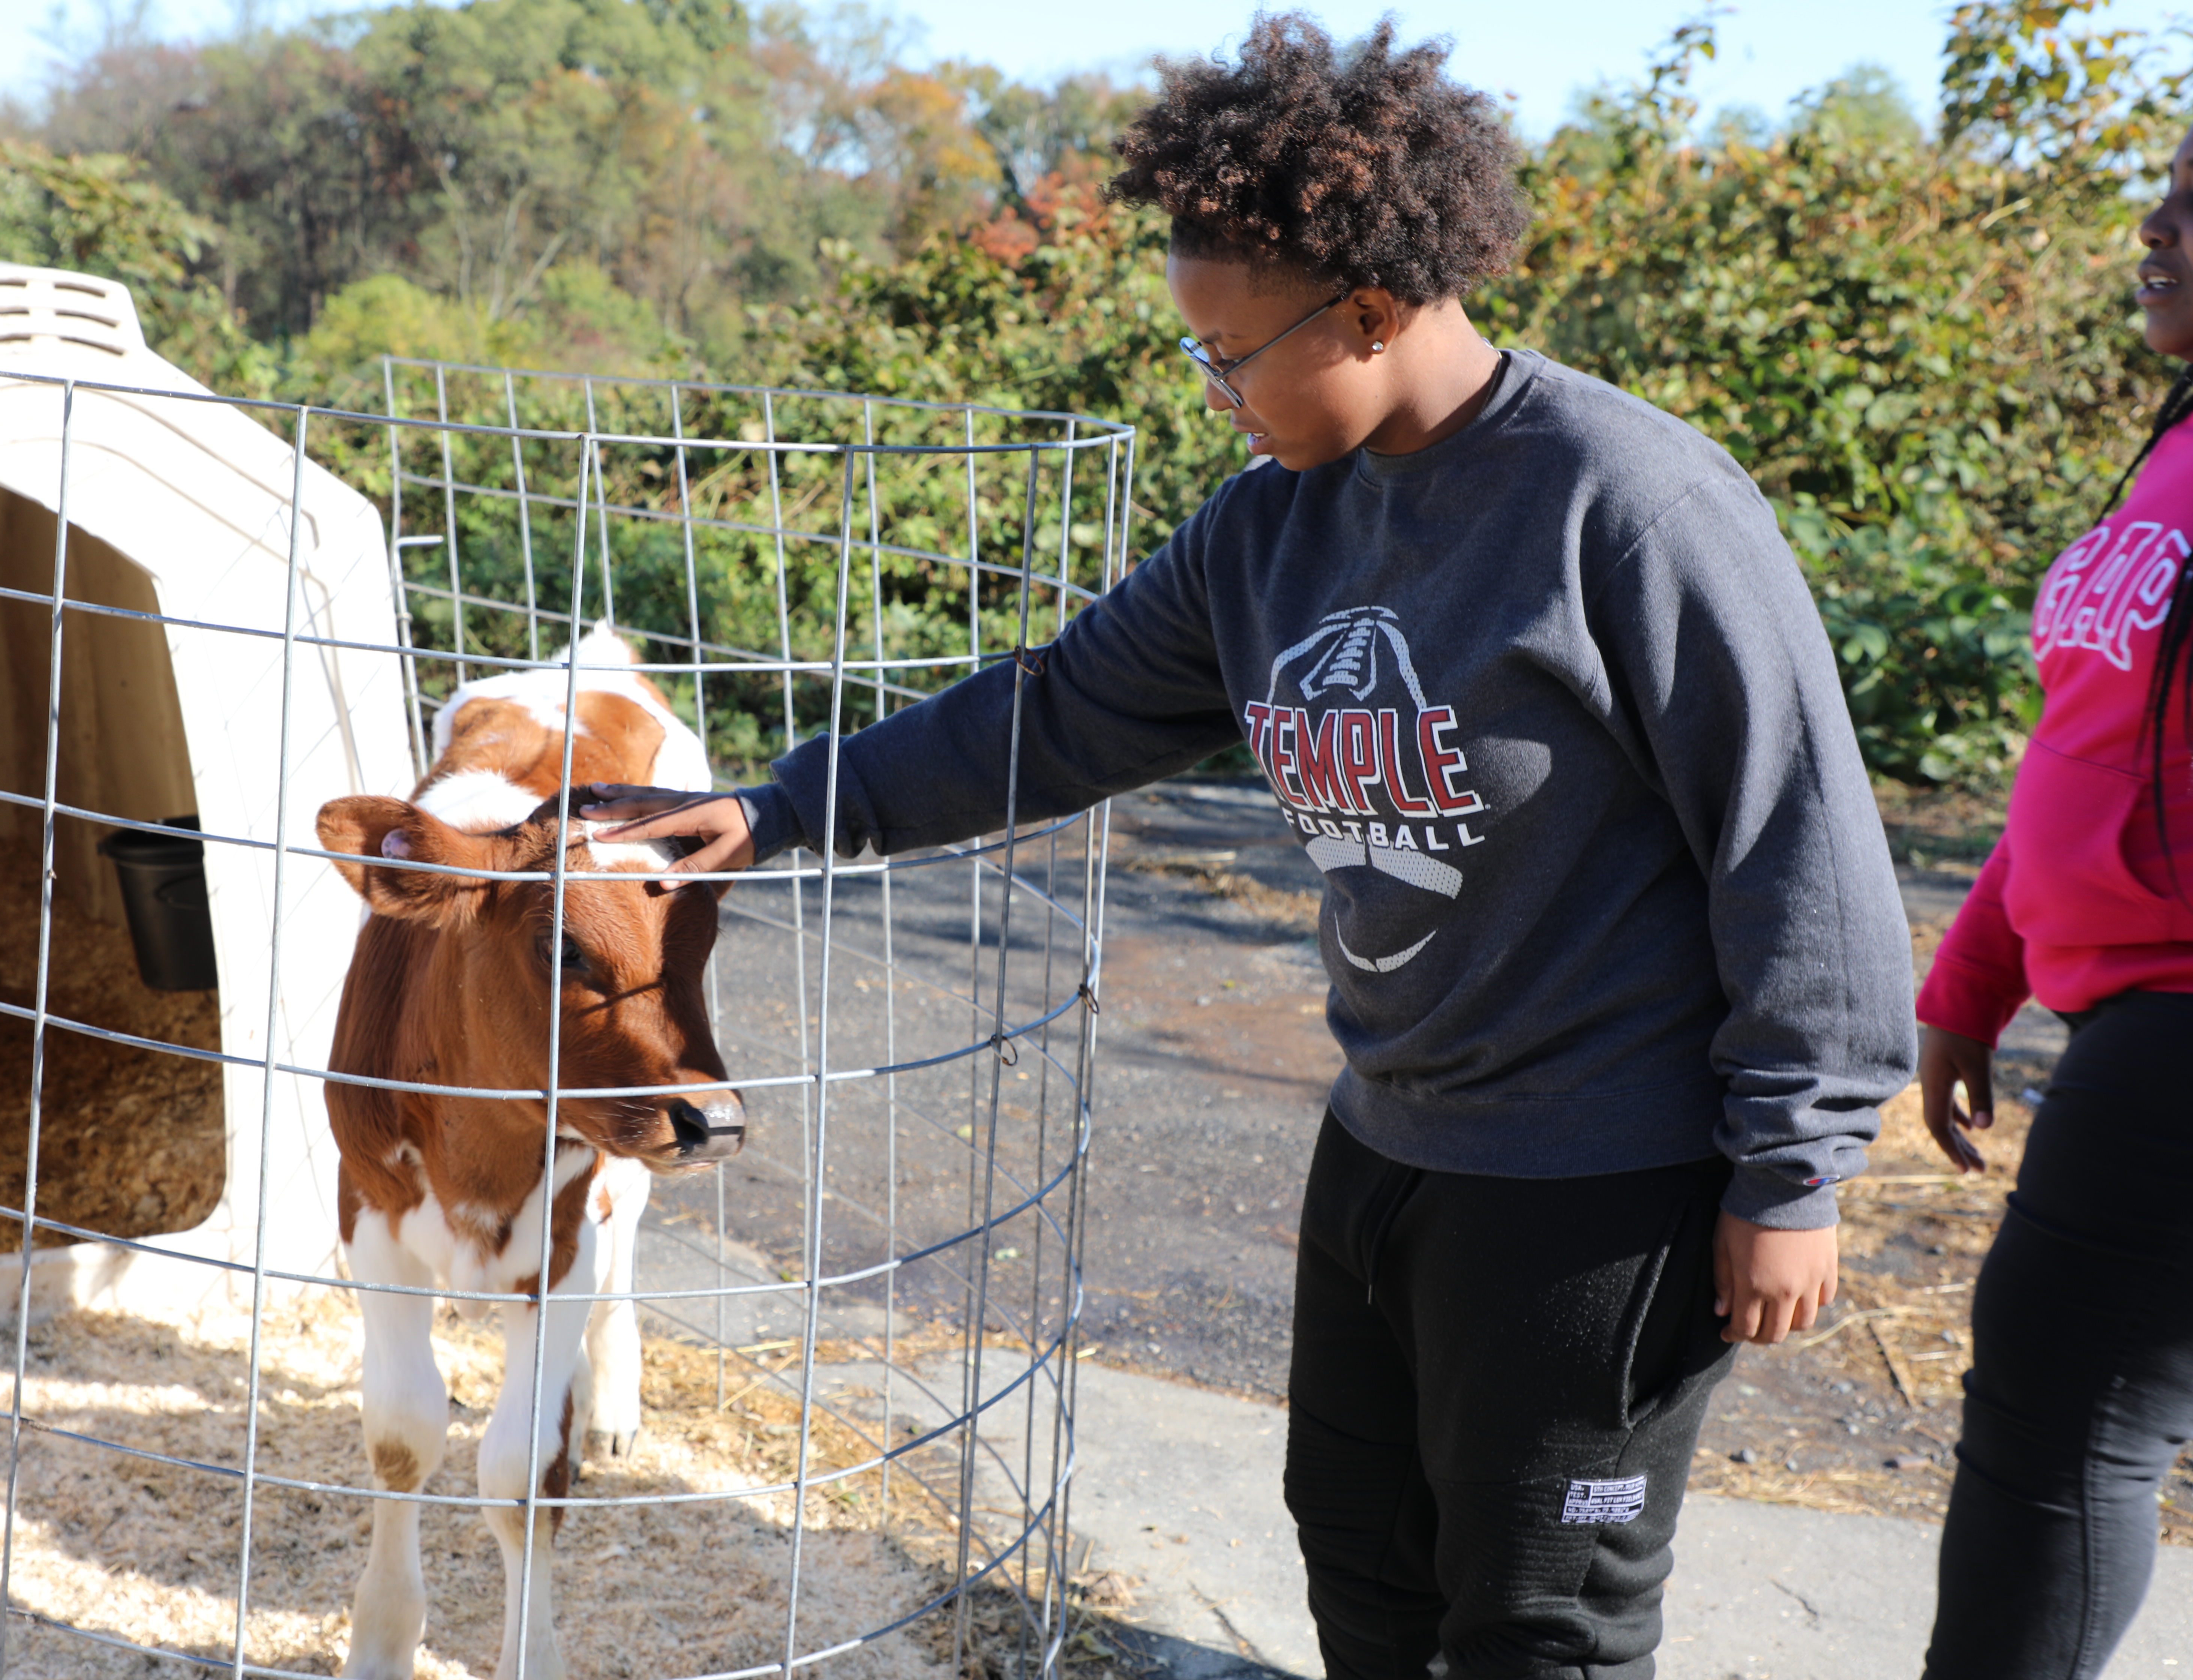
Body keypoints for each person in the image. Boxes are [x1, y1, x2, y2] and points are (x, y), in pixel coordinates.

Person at [588, 16, 1915, 1678]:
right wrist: (791, 808)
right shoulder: (1269, 528)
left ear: (1371, 308)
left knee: (1541, 1625)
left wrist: (1798, 1165)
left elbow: (1795, 841)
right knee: (1362, 1571)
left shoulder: (1625, 509)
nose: (1217, 396)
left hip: (1599, 1184)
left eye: (1233, 353)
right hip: (1386, 1143)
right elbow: (1059, 711)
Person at [1911, 123, 2193, 1680]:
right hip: (2125, 1019)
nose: (2154, 225)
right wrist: (1971, 981)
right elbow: (2091, 748)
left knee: (2063, 1429)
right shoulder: (2176, 447)